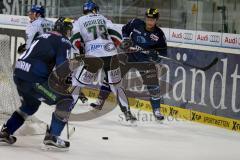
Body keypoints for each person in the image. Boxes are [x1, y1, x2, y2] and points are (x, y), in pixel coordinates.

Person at [0, 17, 74, 149]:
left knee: (30, 105)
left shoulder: (42, 36)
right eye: (69, 29)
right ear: (65, 30)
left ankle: (6, 132)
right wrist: (67, 84)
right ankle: (53, 136)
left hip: (18, 74)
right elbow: (63, 67)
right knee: (67, 100)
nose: (70, 32)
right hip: (34, 79)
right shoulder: (63, 41)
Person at [90, 8, 167, 121]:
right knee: (111, 77)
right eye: (148, 18)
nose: (150, 21)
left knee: (154, 87)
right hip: (128, 56)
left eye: (152, 19)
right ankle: (100, 101)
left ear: (156, 20)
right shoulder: (136, 23)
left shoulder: (159, 34)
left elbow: (163, 54)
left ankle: (156, 111)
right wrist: (126, 39)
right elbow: (124, 29)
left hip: (145, 61)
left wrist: (155, 55)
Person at [70, 1, 137, 122]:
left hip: (93, 57)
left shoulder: (79, 21)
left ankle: (66, 110)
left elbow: (75, 38)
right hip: (111, 55)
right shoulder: (103, 18)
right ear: (95, 9)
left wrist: (77, 53)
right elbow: (115, 33)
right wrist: (122, 44)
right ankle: (127, 113)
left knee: (78, 84)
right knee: (116, 86)